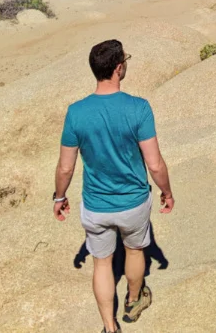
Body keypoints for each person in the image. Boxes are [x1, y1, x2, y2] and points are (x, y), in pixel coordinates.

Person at [53, 39, 174, 333]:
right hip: (132, 202)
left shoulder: (76, 112)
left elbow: (66, 166)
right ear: (119, 69)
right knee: (134, 251)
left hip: (96, 205)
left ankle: (110, 326)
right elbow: (155, 163)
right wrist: (166, 192)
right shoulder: (138, 108)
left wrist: (59, 196)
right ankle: (134, 302)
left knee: (102, 264)